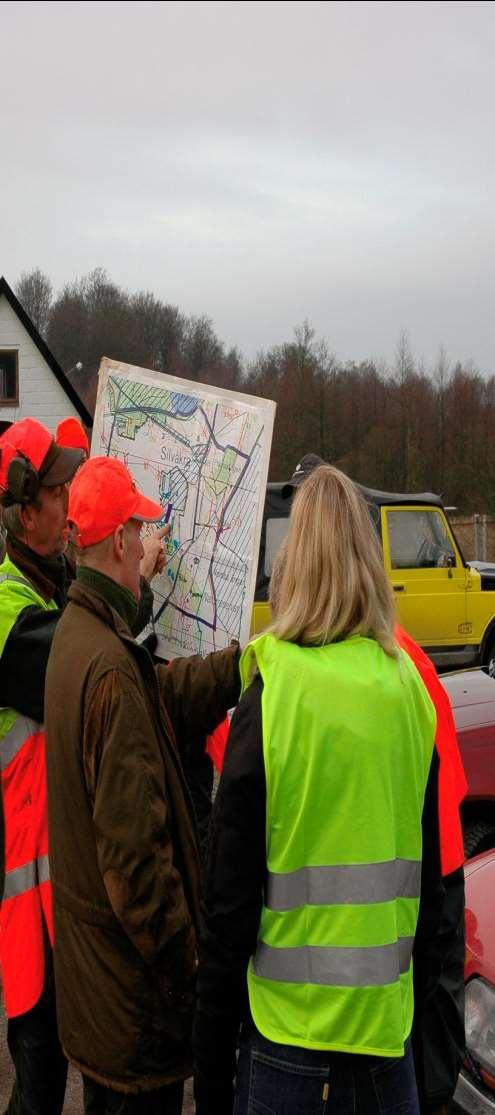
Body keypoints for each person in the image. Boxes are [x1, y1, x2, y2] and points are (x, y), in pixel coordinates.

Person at [193, 464, 444, 1115]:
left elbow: (227, 908)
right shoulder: (409, 692)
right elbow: (432, 894)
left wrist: (211, 1070)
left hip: (287, 1040)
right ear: (366, 559)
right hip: (384, 1044)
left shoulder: (272, 692)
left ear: (292, 564)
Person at [44, 456, 241, 1113]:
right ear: (122, 541)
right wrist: (194, 971)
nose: (144, 546)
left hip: (101, 1000)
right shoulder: (105, 661)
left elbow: (156, 696)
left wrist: (237, 667)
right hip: (132, 1012)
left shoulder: (82, 634)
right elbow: (137, 866)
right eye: (138, 528)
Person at [281, 454, 467, 1114]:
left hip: (355, 960)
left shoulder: (290, 676)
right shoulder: (407, 665)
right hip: (421, 898)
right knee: (421, 1062)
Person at [0, 417, 168, 1115]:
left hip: (69, 874)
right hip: (31, 887)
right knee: (39, 1077)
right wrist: (135, 579)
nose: (74, 498)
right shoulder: (9, 607)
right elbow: (90, 660)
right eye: (62, 485)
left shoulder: (57, 579)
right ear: (26, 507)